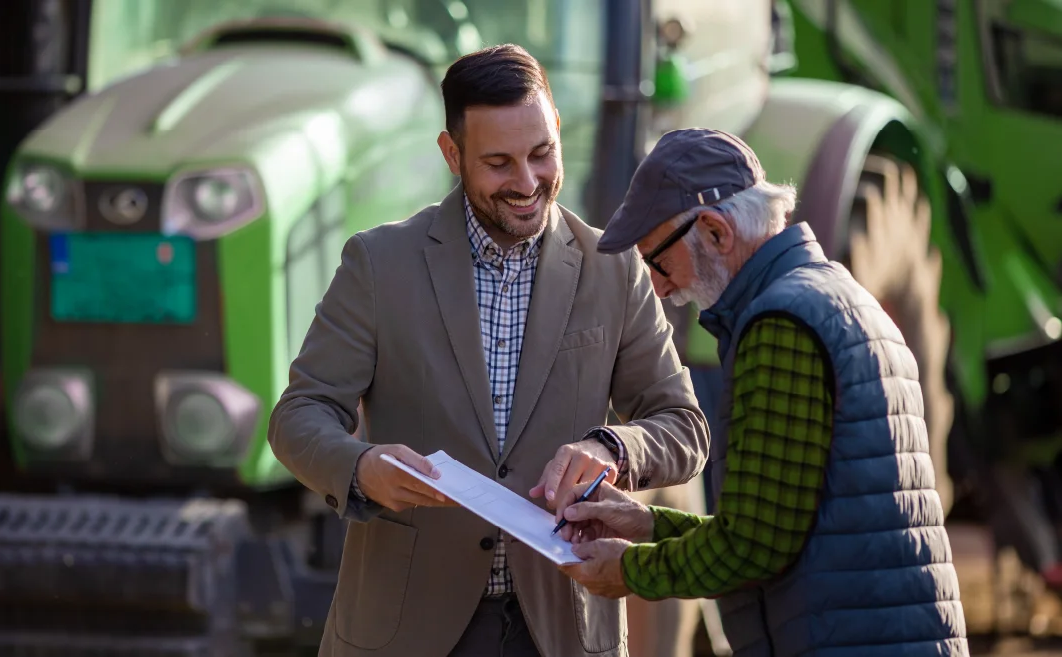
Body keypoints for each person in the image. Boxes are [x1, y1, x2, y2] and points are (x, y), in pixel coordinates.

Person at [267, 45, 710, 657]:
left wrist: (611, 447)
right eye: (499, 163)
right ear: (452, 155)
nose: (527, 183)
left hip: (561, 627)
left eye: (541, 153)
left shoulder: (615, 269)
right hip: (405, 630)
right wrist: (360, 468)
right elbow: (299, 415)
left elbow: (684, 427)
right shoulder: (378, 263)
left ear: (558, 131)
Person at [556, 128, 969, 656]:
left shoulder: (780, 325)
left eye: (657, 261)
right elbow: (775, 520)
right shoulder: (840, 299)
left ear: (715, 232)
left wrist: (629, 571)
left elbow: (753, 546)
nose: (659, 286)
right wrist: (646, 523)